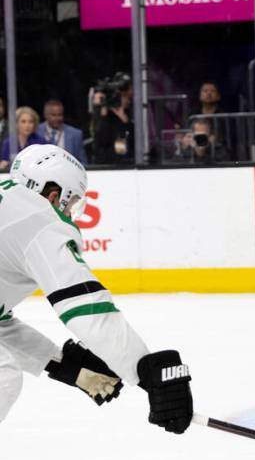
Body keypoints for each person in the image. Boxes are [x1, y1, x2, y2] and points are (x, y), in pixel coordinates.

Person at [0, 144, 193, 432]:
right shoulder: (39, 219)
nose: (70, 212)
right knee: (4, 377)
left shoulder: (10, 204)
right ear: (54, 194)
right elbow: (85, 308)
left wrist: (61, 362)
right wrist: (146, 371)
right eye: (71, 202)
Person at [37, 99, 86, 164]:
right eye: (53, 115)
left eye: (60, 115)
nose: (57, 118)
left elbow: (83, 162)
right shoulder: (36, 131)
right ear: (45, 115)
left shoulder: (75, 134)